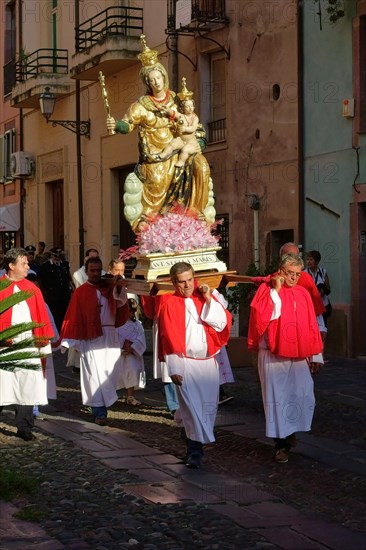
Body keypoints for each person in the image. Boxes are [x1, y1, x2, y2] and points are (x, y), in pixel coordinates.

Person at [106, 35, 214, 232]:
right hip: (155, 156)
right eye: (152, 79)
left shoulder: (177, 100)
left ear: (164, 77)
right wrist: (116, 125)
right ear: (147, 82)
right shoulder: (141, 106)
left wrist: (200, 142)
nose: (156, 82)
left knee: (202, 167)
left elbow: (196, 125)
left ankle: (194, 216)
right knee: (157, 180)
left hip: (181, 149)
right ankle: (156, 225)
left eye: (159, 77)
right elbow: (127, 124)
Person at [143, 262, 232, 469]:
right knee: (192, 410)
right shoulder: (169, 302)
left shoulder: (207, 295)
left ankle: (189, 436)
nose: (187, 286)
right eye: (181, 282)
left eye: (190, 280)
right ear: (174, 282)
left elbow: (221, 323)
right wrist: (174, 367)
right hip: (185, 363)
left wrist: (209, 299)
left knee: (207, 410)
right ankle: (195, 452)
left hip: (208, 363)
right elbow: (169, 336)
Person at [248, 254, 324, 464]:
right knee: (277, 399)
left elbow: (311, 324)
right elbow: (263, 318)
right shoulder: (267, 290)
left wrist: (316, 354)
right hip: (274, 355)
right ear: (280, 271)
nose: (293, 278)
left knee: (302, 395)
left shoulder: (302, 293)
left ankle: (291, 433)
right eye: (289, 273)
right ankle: (281, 443)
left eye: (297, 274)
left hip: (299, 354)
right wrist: (277, 291)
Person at [60, 257, 130, 425]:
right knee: (93, 374)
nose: (96, 273)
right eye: (93, 270)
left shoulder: (111, 287)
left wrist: (119, 287)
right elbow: (73, 316)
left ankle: (104, 404)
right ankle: (99, 411)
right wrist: (73, 341)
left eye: (99, 270)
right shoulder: (81, 291)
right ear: (86, 272)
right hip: (90, 337)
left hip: (110, 335)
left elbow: (122, 304)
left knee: (109, 373)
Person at [0, 248, 53, 440]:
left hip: (28, 344)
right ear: (11, 265)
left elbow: (40, 317)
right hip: (4, 346)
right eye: (24, 263)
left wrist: (42, 345)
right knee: (1, 384)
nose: (28, 266)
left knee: (27, 386)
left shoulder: (33, 290)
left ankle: (25, 427)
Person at [251, 242, 327, 339]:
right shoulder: (272, 282)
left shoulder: (306, 279)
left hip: (303, 332)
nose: (294, 278)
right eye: (289, 256)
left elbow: (315, 304)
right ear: (282, 260)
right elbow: (264, 312)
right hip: (280, 335)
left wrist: (321, 327)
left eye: (295, 256)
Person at [156, 79, 202, 167]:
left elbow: (193, 128)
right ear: (183, 108)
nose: (190, 108)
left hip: (191, 143)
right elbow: (174, 113)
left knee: (185, 150)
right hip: (181, 140)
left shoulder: (195, 117)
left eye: (191, 106)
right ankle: (164, 154)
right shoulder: (181, 116)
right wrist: (167, 110)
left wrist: (185, 129)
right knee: (173, 143)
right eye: (187, 107)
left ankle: (181, 162)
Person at [116, 298, 146, 406]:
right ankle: (112, 395)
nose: (131, 313)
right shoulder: (117, 325)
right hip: (120, 355)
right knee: (117, 374)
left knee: (132, 372)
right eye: (129, 311)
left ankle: (130, 396)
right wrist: (120, 349)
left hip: (132, 354)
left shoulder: (137, 324)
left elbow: (141, 338)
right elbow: (114, 338)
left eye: (133, 311)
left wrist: (132, 347)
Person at [38, 247, 74, 332]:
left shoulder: (64, 264)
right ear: (51, 256)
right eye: (55, 256)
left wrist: (71, 288)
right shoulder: (46, 266)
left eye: (59, 256)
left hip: (64, 295)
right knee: (54, 315)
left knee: (64, 314)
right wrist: (45, 292)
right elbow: (42, 281)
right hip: (52, 296)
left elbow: (68, 278)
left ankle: (64, 331)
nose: (57, 258)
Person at [304, 250, 332, 327]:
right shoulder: (304, 273)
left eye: (311, 259)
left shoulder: (323, 271)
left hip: (323, 305)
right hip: (311, 305)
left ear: (316, 261)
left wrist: (322, 289)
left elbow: (328, 289)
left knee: (323, 327)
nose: (308, 262)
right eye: (307, 259)